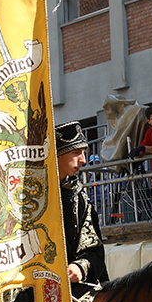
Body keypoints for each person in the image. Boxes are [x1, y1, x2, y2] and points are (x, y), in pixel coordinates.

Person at [54, 121, 109, 287]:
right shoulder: (27, 195)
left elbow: (95, 249)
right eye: (76, 152)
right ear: (57, 155)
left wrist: (80, 267)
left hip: (74, 286)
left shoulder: (79, 197)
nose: (84, 160)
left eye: (84, 153)